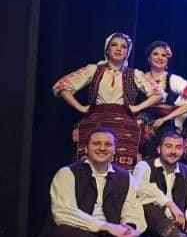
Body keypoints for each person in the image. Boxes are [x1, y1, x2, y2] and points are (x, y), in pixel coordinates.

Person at [39, 127, 153, 237]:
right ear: (86, 148)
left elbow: (132, 208)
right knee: (62, 233)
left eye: (108, 144)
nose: (102, 148)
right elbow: (63, 212)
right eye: (96, 143)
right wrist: (105, 226)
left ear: (114, 150)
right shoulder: (67, 173)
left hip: (109, 236)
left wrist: (130, 230)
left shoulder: (125, 177)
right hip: (79, 232)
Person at [53, 33, 161, 170]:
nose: (119, 49)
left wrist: (137, 107)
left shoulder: (134, 74)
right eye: (114, 45)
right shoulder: (94, 70)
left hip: (123, 124)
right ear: (107, 50)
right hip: (96, 120)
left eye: (123, 47)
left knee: (122, 169)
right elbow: (61, 86)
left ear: (127, 52)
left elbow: (158, 93)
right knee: (89, 166)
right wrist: (80, 107)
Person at [137, 41, 187, 159]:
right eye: (156, 54)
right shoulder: (139, 78)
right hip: (141, 129)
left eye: (164, 55)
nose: (160, 57)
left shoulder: (173, 80)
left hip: (165, 129)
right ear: (149, 58)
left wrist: (166, 118)